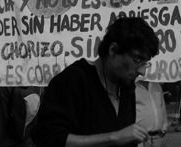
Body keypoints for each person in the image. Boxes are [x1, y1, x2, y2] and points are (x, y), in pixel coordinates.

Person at [32, 16, 159, 147]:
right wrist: (114, 137)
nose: (142, 71)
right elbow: (49, 138)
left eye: (145, 63)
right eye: (137, 59)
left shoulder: (126, 86)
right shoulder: (73, 81)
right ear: (113, 50)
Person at [135, 78, 169, 146]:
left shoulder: (156, 85)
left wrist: (164, 127)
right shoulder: (131, 88)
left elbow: (162, 107)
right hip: (140, 138)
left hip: (159, 136)